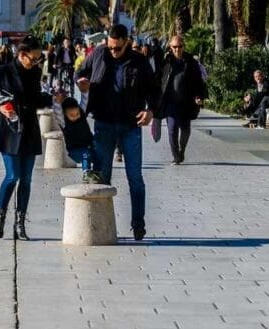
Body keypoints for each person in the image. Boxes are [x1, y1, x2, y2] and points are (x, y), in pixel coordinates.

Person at [75, 24, 159, 241]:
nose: (113, 51)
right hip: (103, 123)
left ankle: (138, 224)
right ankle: (102, 228)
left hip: (131, 125)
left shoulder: (139, 61)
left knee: (135, 177)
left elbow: (154, 90)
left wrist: (151, 111)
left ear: (127, 42)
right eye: (111, 47)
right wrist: (81, 83)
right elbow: (80, 72)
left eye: (118, 48)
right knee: (102, 176)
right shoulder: (99, 54)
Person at [0, 36, 48, 241]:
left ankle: (20, 223)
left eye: (39, 59)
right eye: (33, 58)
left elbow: (36, 99)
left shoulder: (35, 72)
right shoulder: (2, 71)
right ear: (22, 54)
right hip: (9, 129)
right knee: (13, 175)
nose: (36, 62)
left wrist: (53, 98)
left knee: (26, 179)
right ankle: (0, 216)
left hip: (29, 128)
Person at [155, 35, 206, 164]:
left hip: (186, 101)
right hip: (170, 102)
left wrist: (199, 96)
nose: (177, 49)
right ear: (170, 47)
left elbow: (198, 82)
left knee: (185, 129)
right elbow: (158, 80)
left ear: (184, 46)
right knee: (172, 129)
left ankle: (182, 150)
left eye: (179, 46)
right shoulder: (166, 62)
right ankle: (176, 156)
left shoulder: (191, 62)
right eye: (174, 47)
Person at [60, 96, 98, 182]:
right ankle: (86, 173)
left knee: (98, 153)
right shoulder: (63, 122)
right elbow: (58, 111)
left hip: (88, 145)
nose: (75, 117)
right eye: (71, 115)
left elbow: (85, 100)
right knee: (86, 154)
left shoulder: (82, 114)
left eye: (77, 113)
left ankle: (97, 172)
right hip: (74, 149)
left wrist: (84, 91)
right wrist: (56, 100)